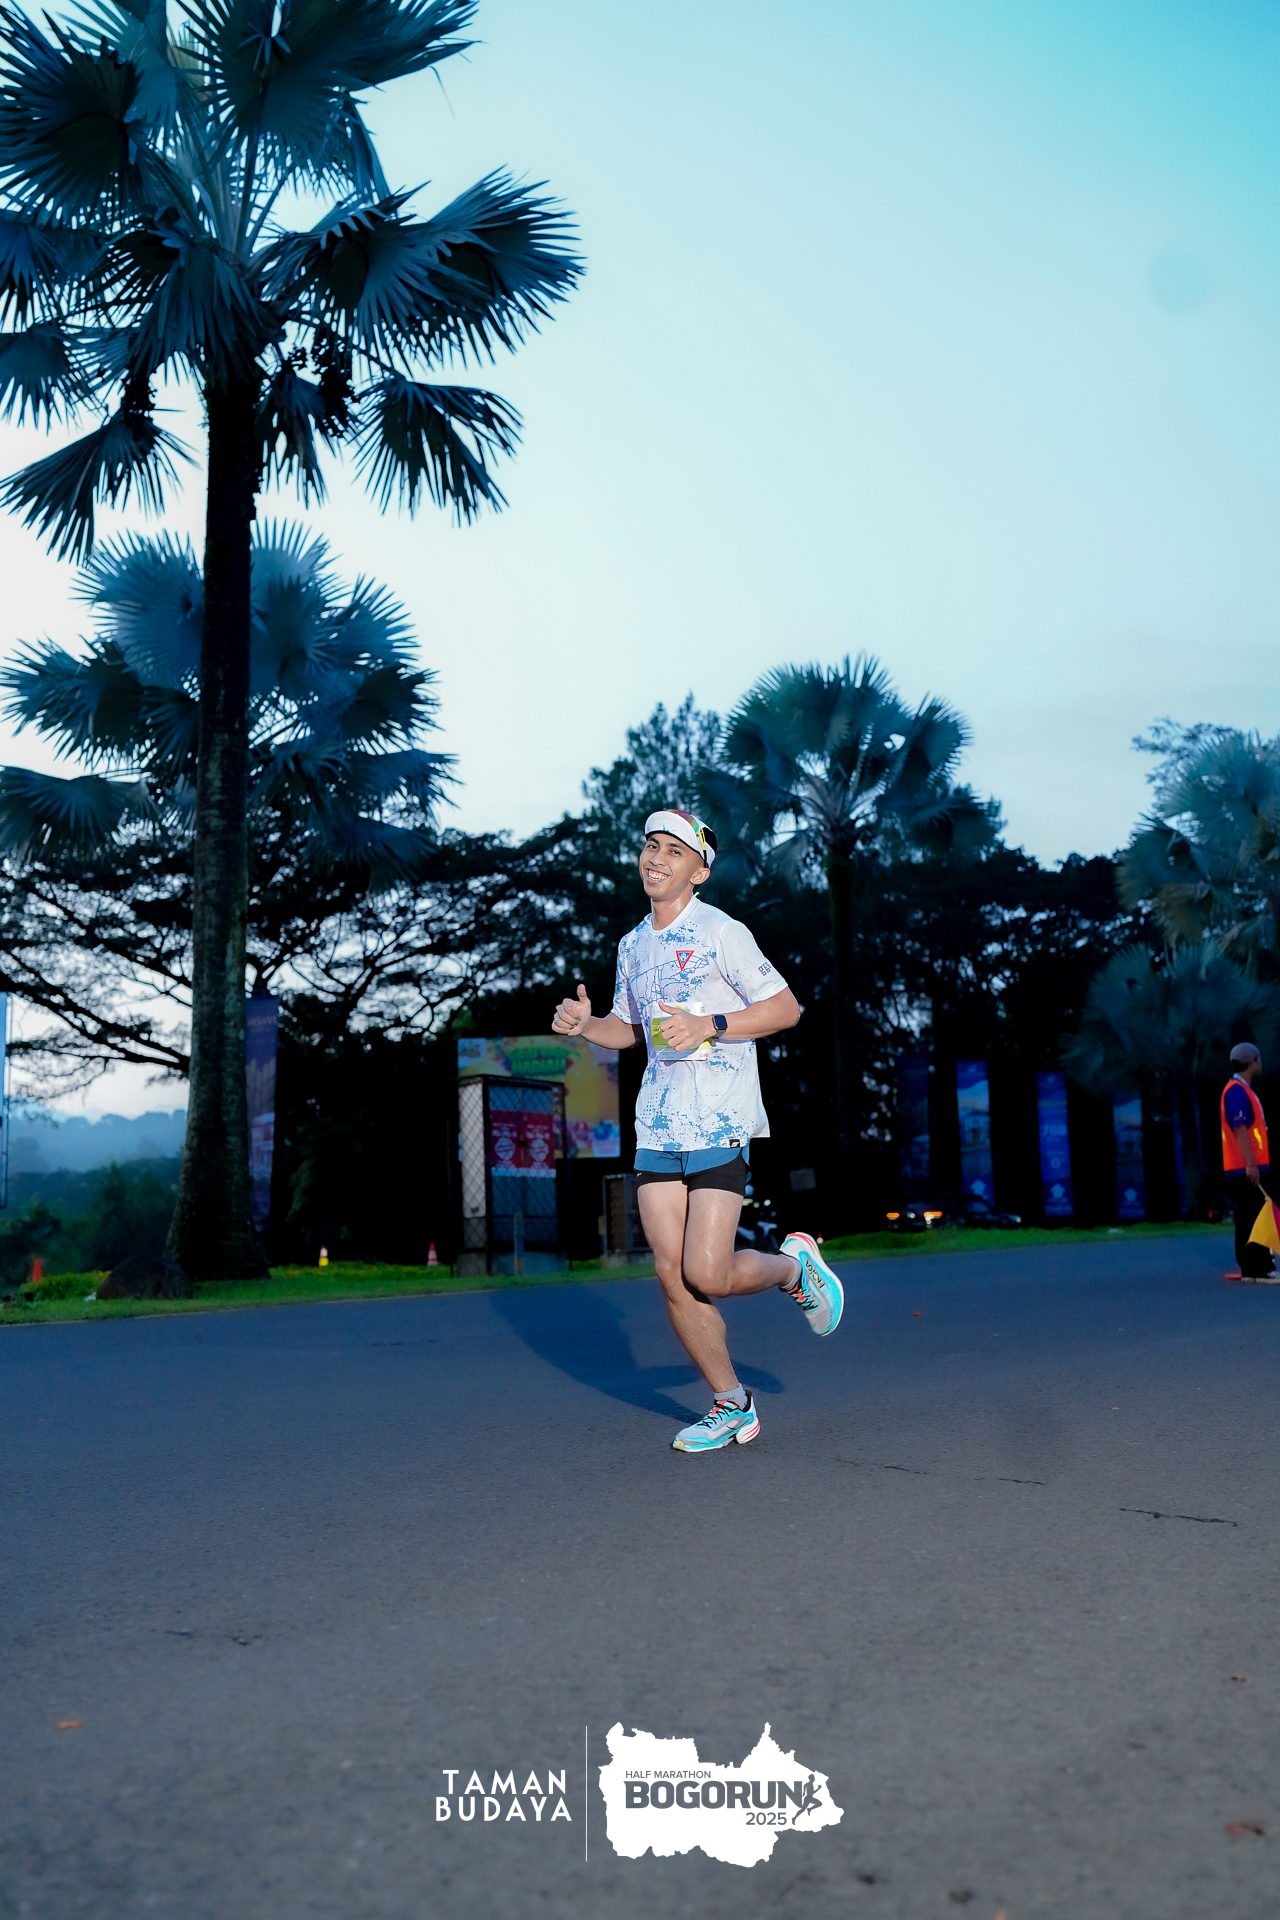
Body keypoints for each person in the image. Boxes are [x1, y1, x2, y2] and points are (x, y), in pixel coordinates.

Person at [551, 807, 845, 1452]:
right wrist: (586, 1025)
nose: (656, 858)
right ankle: (731, 1403)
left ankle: (792, 1270)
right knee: (671, 1273)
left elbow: (786, 1008)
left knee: (707, 1273)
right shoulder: (632, 945)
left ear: (699, 872)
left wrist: (710, 1023)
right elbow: (629, 1030)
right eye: (651, 846)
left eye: (674, 851)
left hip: (720, 1115)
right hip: (658, 1124)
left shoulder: (722, 932)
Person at [1220, 1041, 1279, 1283]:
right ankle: (1261, 1267)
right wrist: (1251, 1164)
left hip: (1240, 1166)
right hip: (1247, 1167)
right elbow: (1240, 1128)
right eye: (1258, 1059)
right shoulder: (1237, 1091)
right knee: (1259, 1215)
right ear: (1252, 1062)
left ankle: (1250, 1268)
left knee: (1247, 1216)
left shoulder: (1240, 1089)